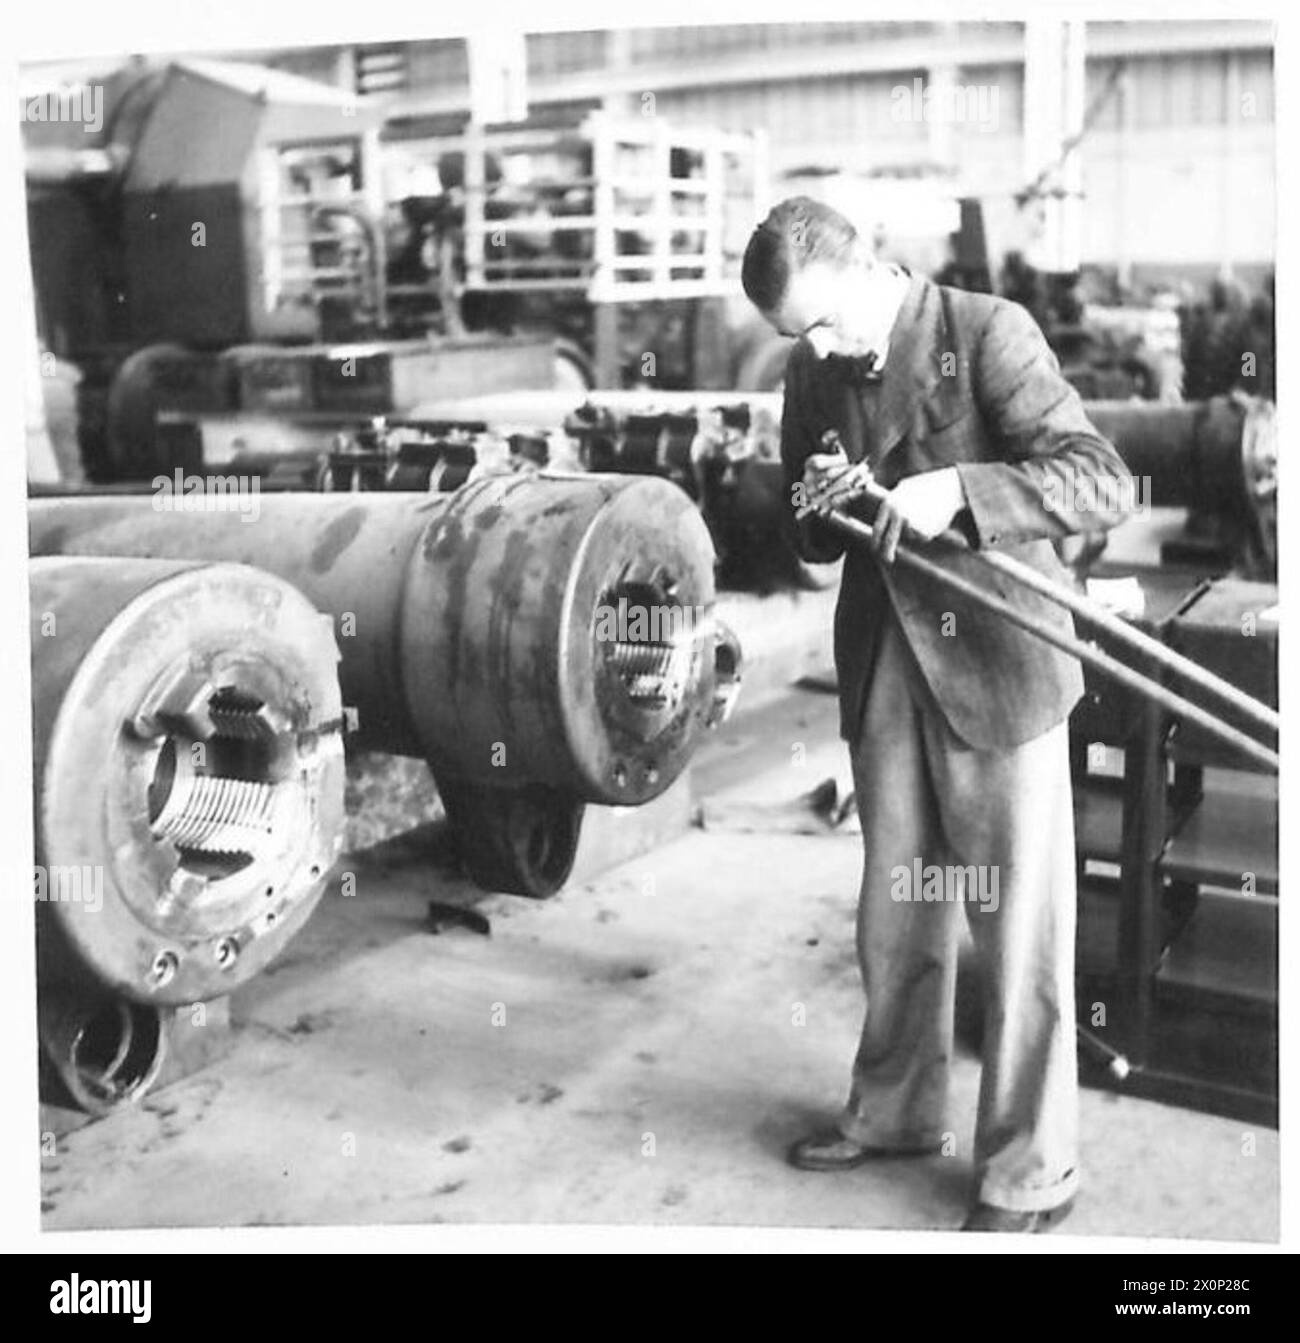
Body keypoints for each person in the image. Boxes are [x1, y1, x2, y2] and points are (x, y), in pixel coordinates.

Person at [741, 197, 1131, 1233]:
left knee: (1020, 930)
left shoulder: (986, 331)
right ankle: (894, 1113)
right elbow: (811, 540)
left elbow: (1099, 482)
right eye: (798, 336)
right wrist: (817, 508)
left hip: (999, 665)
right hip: (886, 669)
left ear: (869, 262)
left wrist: (954, 490)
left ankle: (1029, 1168)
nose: (817, 348)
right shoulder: (811, 369)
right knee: (901, 911)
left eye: (825, 322)